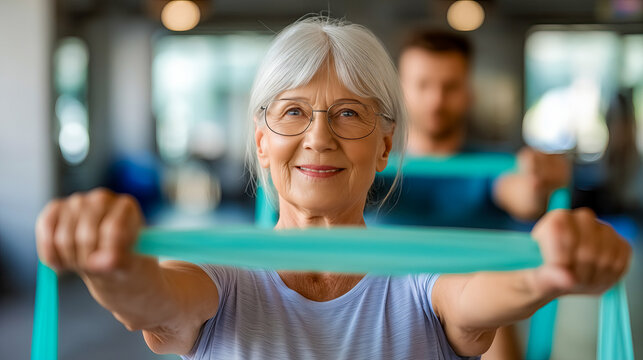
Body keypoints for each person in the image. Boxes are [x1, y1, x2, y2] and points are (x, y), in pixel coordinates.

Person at [35, 17, 631, 360]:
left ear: (386, 146)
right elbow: (155, 300)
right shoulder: (216, 274)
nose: (319, 137)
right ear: (262, 140)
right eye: (293, 112)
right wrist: (109, 265)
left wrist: (551, 268)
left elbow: (482, 297)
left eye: (349, 114)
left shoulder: (421, 282)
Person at [393, 30, 570, 225]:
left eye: (450, 86)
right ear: (400, 91)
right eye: (423, 85)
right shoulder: (374, 168)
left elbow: (523, 195)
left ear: (470, 92)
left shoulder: (498, 166)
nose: (436, 100)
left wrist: (538, 182)